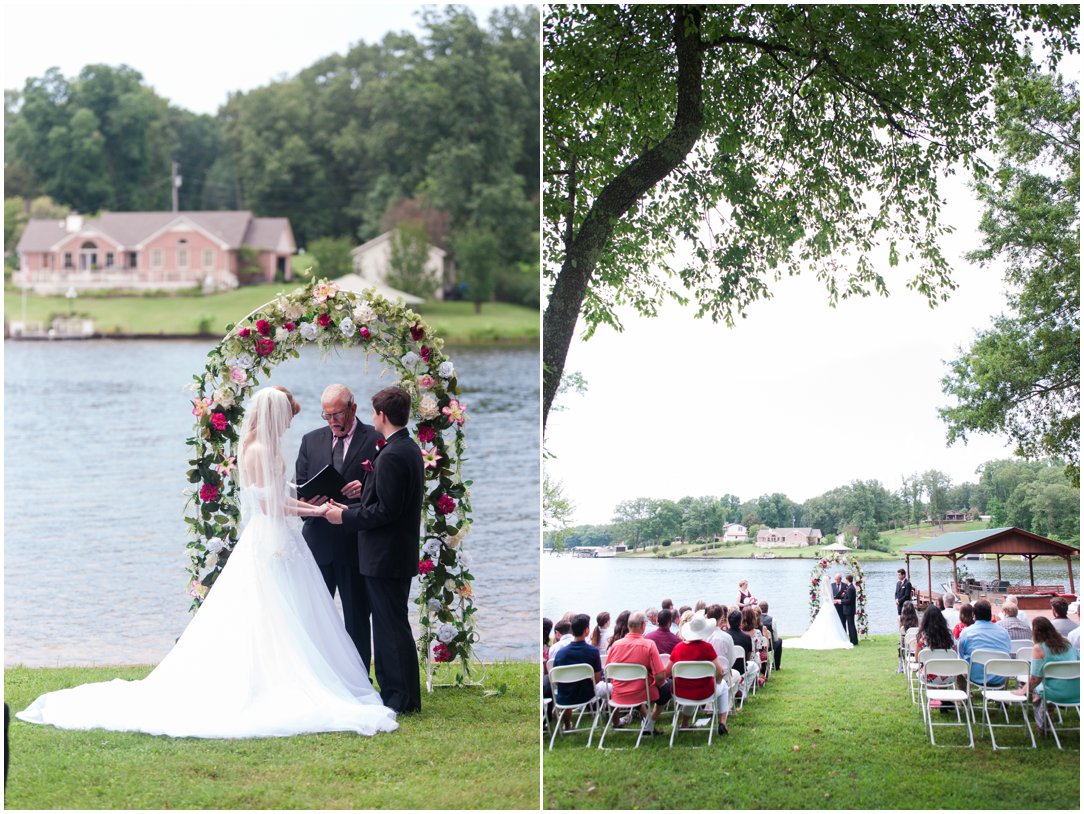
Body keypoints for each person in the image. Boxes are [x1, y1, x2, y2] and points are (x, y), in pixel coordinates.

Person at [17, 388, 398, 738]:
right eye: (286, 417)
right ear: (272, 415)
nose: (288, 424)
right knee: (268, 612)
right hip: (270, 540)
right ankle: (270, 680)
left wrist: (313, 506)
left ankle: (292, 673)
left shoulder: (263, 447)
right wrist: (316, 512)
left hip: (281, 537)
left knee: (291, 614)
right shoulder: (258, 452)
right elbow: (269, 505)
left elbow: (284, 495)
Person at [326, 386, 423, 714]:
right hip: (392, 553)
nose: (371, 418)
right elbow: (382, 502)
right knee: (393, 624)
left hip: (385, 555)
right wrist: (350, 504)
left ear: (382, 415)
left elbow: (386, 513)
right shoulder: (404, 448)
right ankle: (403, 694)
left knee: (389, 628)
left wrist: (344, 517)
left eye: (373, 413)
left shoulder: (395, 454)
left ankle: (398, 697)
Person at [296, 383, 383, 670]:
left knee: (357, 617)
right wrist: (311, 500)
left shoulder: (375, 438)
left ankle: (360, 679)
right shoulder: (311, 440)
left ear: (353, 408)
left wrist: (366, 489)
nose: (332, 421)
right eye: (326, 415)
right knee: (314, 616)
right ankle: (318, 677)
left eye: (337, 414)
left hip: (356, 544)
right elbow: (299, 490)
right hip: (318, 543)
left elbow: (385, 496)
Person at [664, 611, 730, 736]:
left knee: (691, 689)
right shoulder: (707, 648)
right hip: (705, 692)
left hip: (681, 692)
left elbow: (667, 672)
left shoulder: (678, 648)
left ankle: (684, 723)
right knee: (724, 687)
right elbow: (720, 672)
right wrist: (717, 681)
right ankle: (722, 722)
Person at [604, 612, 670, 733]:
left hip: (618, 693)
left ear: (628, 626)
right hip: (640, 693)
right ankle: (650, 723)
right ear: (643, 626)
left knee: (638, 684)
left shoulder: (615, 645)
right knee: (667, 688)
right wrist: (656, 683)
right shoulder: (649, 645)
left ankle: (645, 721)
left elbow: (608, 671)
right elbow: (660, 677)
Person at [1015, 617, 1079, 736]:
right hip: (1077, 691)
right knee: (1037, 687)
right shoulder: (1068, 644)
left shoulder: (1039, 648)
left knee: (1033, 688)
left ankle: (1043, 726)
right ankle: (1046, 720)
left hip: (1055, 692)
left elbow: (1035, 678)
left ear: (1035, 632)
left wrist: (1023, 691)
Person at [552, 614, 603, 727]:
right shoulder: (593, 652)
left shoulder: (561, 653)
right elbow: (597, 679)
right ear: (586, 630)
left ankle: (567, 724)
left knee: (567, 689)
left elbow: (555, 680)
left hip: (565, 696)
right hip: (587, 694)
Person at [957, 599, 1012, 687]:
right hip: (1000, 676)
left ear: (973, 615)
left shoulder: (966, 632)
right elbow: (1008, 651)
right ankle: (999, 695)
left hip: (975, 676)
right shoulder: (1004, 632)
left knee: (959, 664)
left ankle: (964, 697)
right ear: (990, 614)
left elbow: (960, 655)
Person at [788, 578, 853, 650]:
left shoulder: (822, 589)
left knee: (825, 622)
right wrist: (836, 601)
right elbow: (830, 599)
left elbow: (827, 598)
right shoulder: (828, 589)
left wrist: (835, 600)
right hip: (829, 606)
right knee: (831, 622)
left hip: (825, 606)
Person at [759, 600, 782, 671]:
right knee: (779, 641)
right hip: (768, 646)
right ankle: (776, 666)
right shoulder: (772, 620)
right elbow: (775, 635)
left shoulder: (755, 619)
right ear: (767, 609)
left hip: (758, 646)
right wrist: (775, 640)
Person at [898, 600, 920, 673]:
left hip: (905, 644)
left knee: (900, 644)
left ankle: (901, 666)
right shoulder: (917, 620)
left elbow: (900, 631)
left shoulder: (900, 619)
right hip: (915, 643)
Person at [841, 574, 859, 645]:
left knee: (851, 625)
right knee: (850, 625)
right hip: (849, 610)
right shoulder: (850, 587)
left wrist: (841, 601)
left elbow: (849, 600)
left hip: (849, 610)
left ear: (847, 580)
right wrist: (843, 596)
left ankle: (854, 641)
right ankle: (852, 640)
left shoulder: (851, 588)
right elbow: (848, 597)